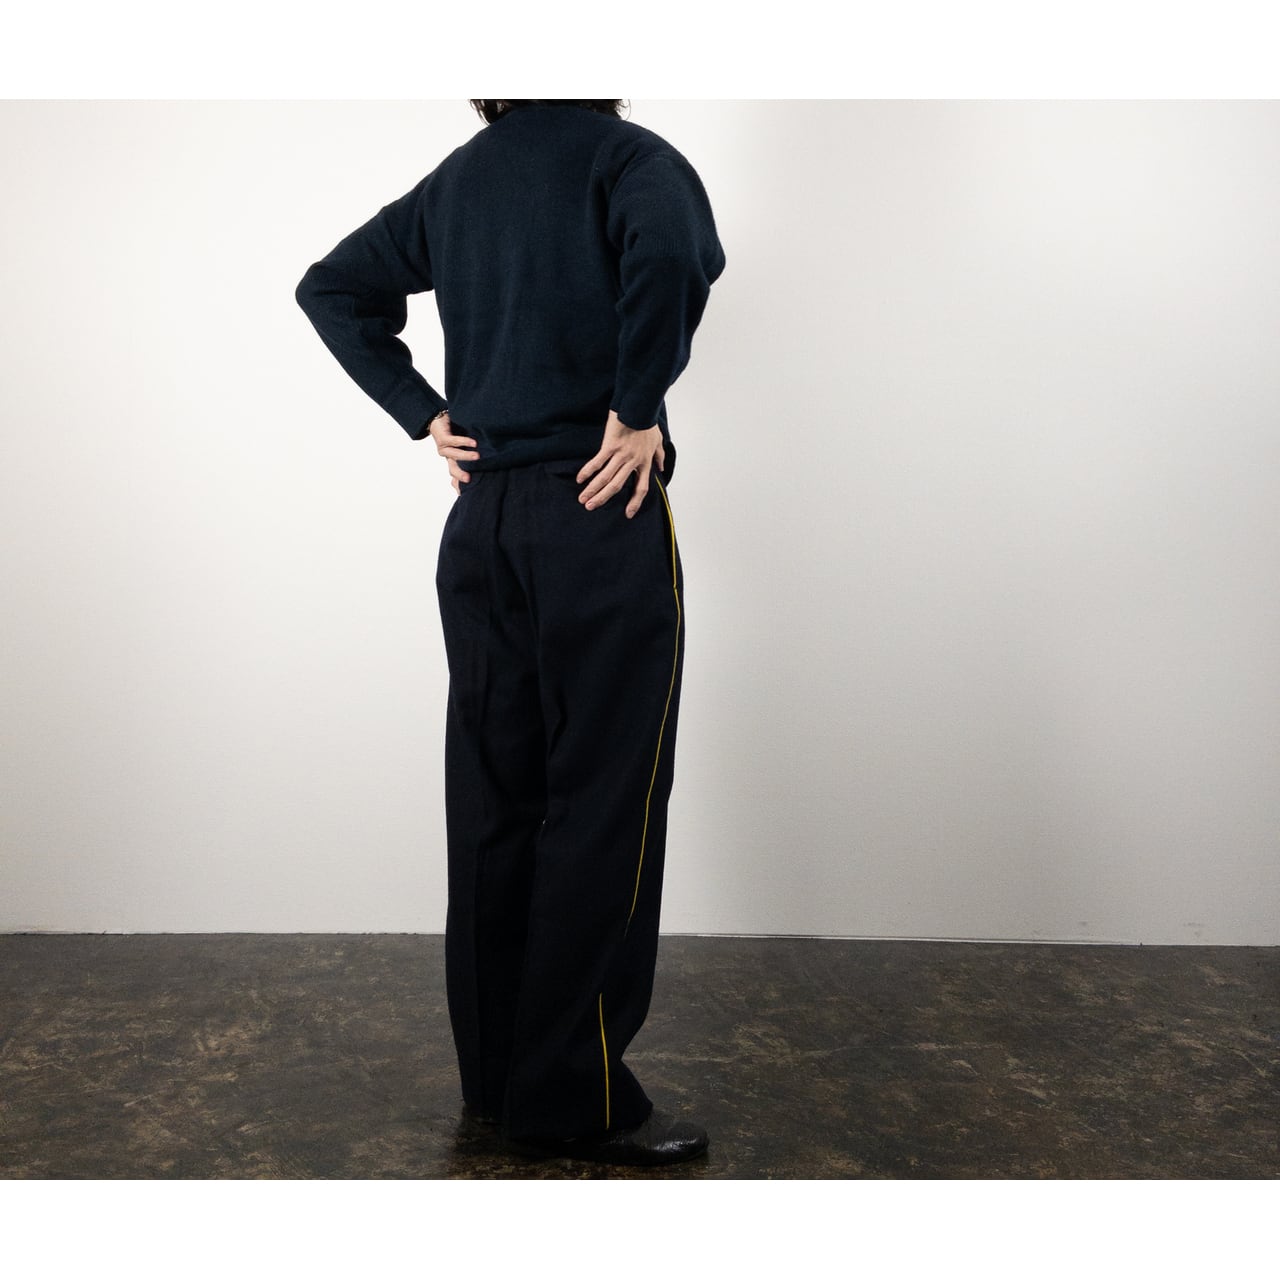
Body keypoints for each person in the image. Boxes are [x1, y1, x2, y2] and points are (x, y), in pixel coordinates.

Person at [295, 98, 726, 1166]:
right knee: (601, 804)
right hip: (597, 504)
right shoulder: (630, 160)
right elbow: (672, 252)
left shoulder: (461, 179)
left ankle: (498, 1081)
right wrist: (636, 405)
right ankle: (573, 1097)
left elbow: (331, 285)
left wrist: (424, 411)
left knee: (496, 802)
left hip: (482, 523)